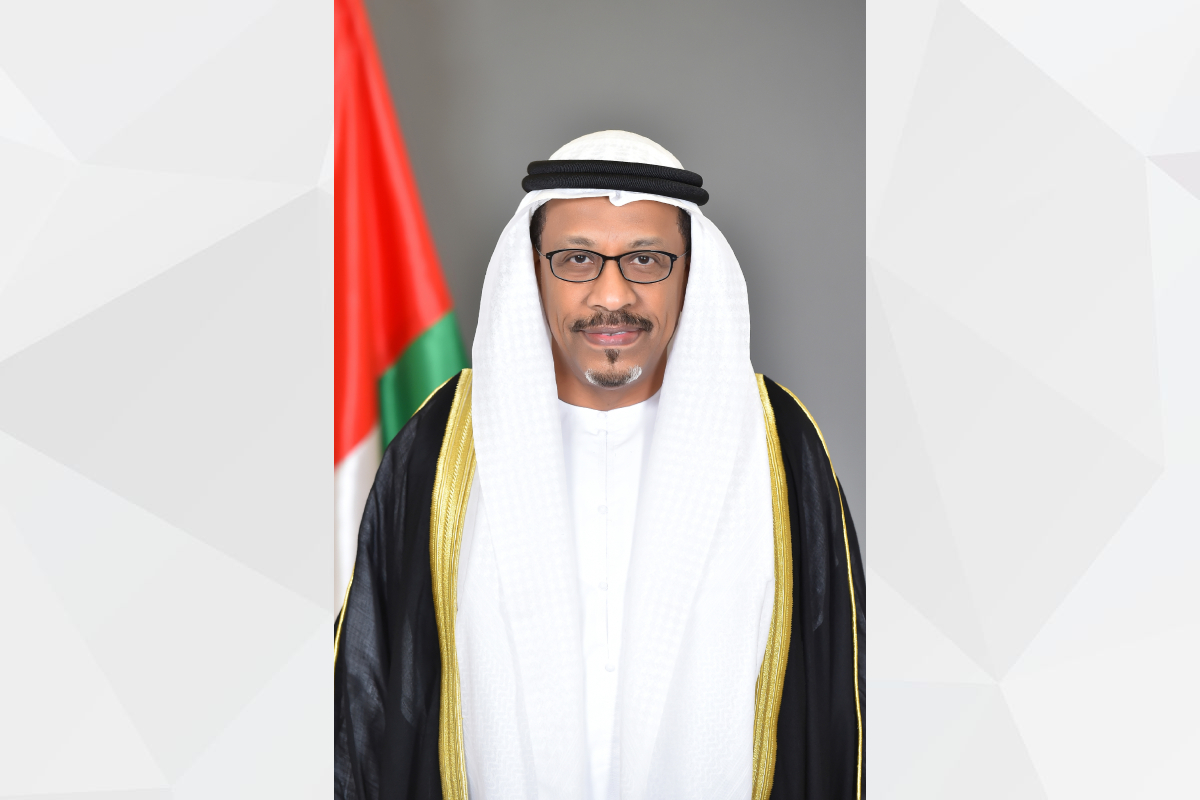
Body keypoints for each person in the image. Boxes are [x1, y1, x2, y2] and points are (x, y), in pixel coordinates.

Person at [334, 130, 864, 800]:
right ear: (533, 270)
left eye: (646, 259)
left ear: (690, 273)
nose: (612, 296)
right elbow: (375, 701)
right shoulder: (445, 444)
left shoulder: (776, 444)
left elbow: (833, 702)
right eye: (578, 259)